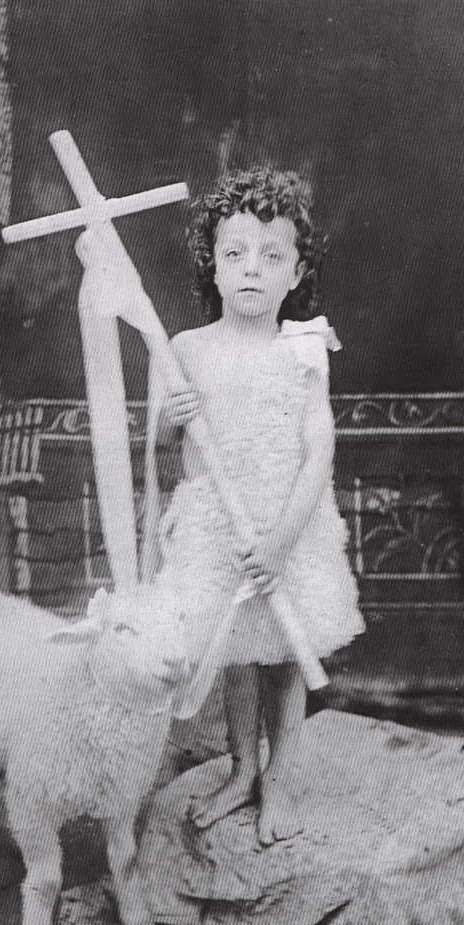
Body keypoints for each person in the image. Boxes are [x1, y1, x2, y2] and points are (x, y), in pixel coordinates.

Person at [154, 167, 365, 845]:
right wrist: (168, 418)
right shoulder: (187, 349)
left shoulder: (303, 347)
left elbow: (318, 452)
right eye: (233, 254)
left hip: (285, 529)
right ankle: (241, 768)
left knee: (282, 656)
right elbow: (173, 454)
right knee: (237, 655)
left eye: (270, 256)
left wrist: (279, 543)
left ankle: (278, 780)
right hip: (219, 528)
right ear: (211, 268)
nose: (251, 270)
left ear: (295, 269)